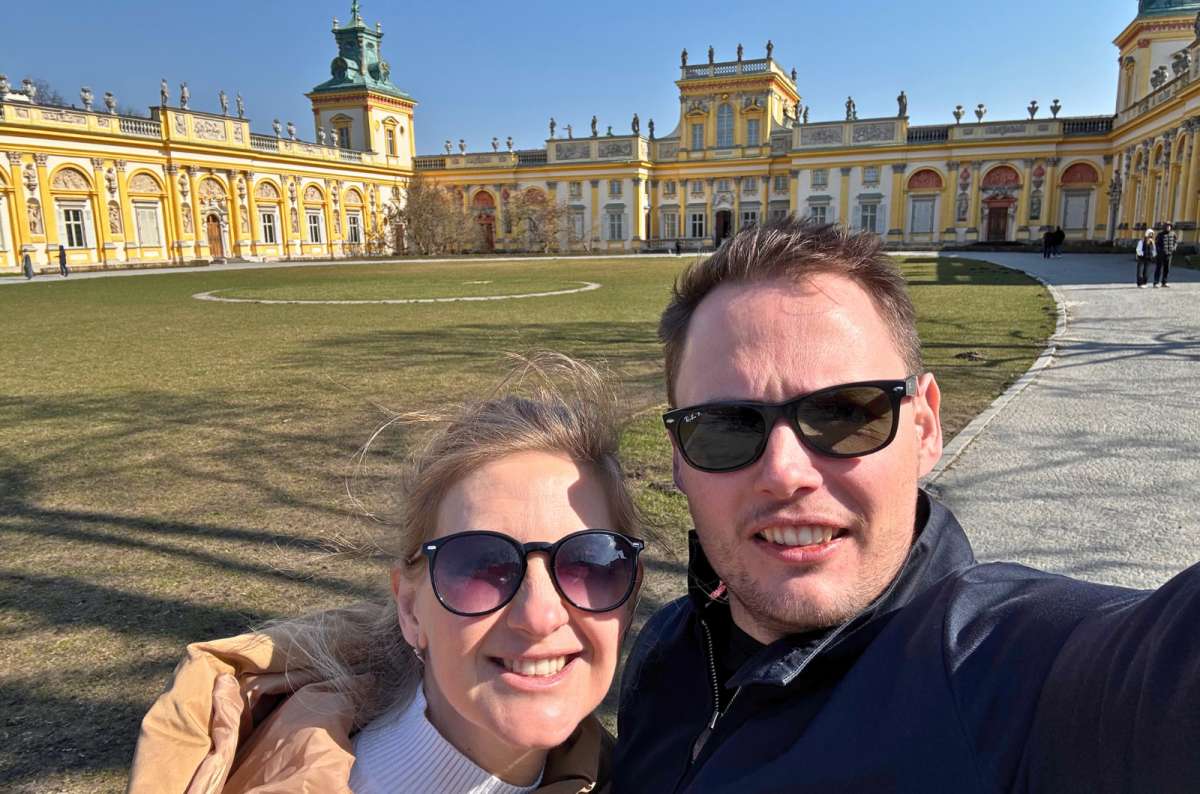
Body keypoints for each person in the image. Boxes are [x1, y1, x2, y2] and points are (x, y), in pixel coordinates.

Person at [613, 217, 1200, 792]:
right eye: (724, 426)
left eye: (844, 413)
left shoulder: (1001, 674)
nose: (784, 474)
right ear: (677, 459)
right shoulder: (671, 646)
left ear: (924, 426)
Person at [129, 356, 645, 793]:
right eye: (480, 566)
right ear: (409, 609)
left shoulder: (629, 774)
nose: (539, 614)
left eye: (589, 563)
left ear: (627, 600)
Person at [1155, 221, 1177, 288]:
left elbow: (1175, 242)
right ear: (1164, 227)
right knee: (1158, 268)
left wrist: (1174, 248)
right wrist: (1159, 250)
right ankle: (1156, 282)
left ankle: (1164, 282)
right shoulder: (1160, 234)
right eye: (1167, 226)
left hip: (1169, 254)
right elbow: (1156, 243)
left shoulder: (1173, 234)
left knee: (1167, 269)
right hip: (1161, 254)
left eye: (1169, 226)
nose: (1168, 227)